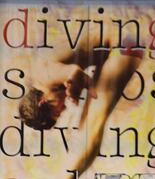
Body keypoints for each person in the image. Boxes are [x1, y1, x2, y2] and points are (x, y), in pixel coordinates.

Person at [18, 21, 143, 178]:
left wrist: (76, 89)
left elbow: (75, 72)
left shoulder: (43, 75)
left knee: (94, 122)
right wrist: (80, 85)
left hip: (123, 42)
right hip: (114, 48)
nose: (63, 109)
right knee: (86, 126)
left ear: (43, 101)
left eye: (57, 111)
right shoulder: (46, 84)